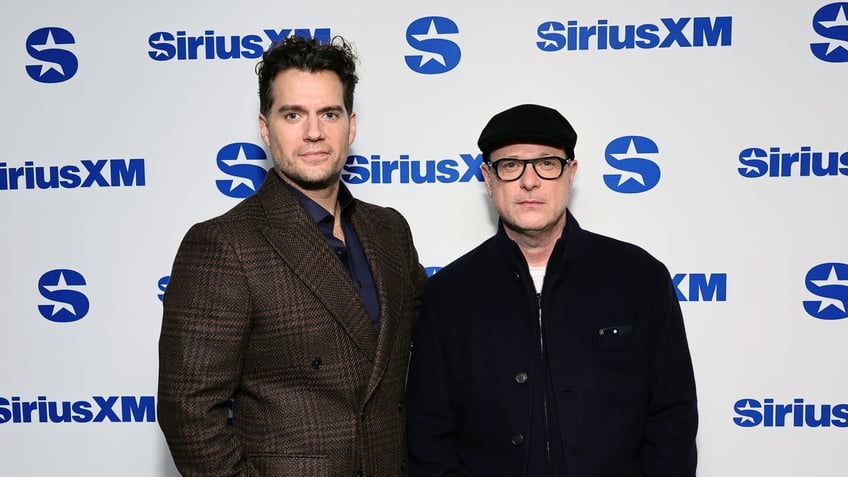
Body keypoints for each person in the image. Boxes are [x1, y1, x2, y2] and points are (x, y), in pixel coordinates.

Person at [158, 35, 427, 476]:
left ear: (351, 125)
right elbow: (187, 410)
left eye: (329, 114)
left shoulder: (389, 231)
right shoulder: (224, 244)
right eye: (293, 115)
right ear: (266, 128)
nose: (314, 132)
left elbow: (435, 331)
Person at [405, 104, 698, 476]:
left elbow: (672, 419)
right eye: (510, 165)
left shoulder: (640, 279)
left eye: (547, 163)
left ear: (570, 173)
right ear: (488, 178)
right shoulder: (448, 295)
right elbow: (430, 436)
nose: (530, 181)